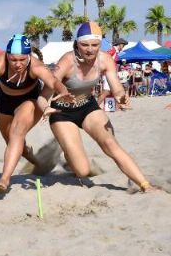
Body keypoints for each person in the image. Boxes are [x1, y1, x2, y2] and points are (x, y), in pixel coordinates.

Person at [39, 22, 156, 193]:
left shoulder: (105, 59)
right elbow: (43, 96)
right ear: (77, 43)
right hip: (62, 112)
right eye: (84, 44)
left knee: (110, 144)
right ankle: (69, 156)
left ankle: (145, 185)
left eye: (95, 45)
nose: (90, 49)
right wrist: (45, 108)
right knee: (83, 171)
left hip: (88, 106)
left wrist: (121, 97)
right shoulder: (66, 62)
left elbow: (116, 87)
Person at [0, 34, 72, 193]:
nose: (18, 64)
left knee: (16, 134)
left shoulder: (36, 66)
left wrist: (63, 90)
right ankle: (36, 160)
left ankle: (4, 179)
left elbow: (53, 81)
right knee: (13, 142)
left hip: (29, 101)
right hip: (4, 103)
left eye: (22, 60)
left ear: (28, 56)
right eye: (13, 60)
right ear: (7, 55)